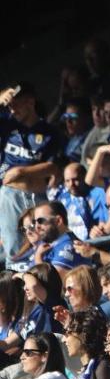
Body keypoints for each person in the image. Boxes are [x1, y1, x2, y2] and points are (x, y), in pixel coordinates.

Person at [0, 84, 61, 266]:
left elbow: (53, 167)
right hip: (11, 197)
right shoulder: (6, 125)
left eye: (16, 104)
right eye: (9, 106)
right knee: (15, 252)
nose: (12, 109)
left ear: (30, 102)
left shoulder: (49, 131)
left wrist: (21, 171)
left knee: (47, 244)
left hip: (38, 197)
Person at [30, 200, 92, 275]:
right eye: (34, 222)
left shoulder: (70, 245)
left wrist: (38, 258)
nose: (37, 226)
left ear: (58, 221)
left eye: (41, 221)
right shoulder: (47, 244)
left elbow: (55, 279)